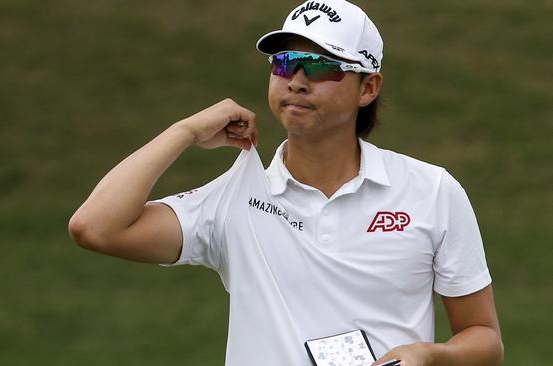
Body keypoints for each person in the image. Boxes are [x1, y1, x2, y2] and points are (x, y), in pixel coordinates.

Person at [68, 0, 504, 365]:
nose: (296, 80)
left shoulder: (432, 191)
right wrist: (183, 131)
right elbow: (95, 228)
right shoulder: (234, 198)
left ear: (367, 87)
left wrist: (429, 356)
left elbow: (484, 337)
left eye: (319, 67)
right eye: (285, 62)